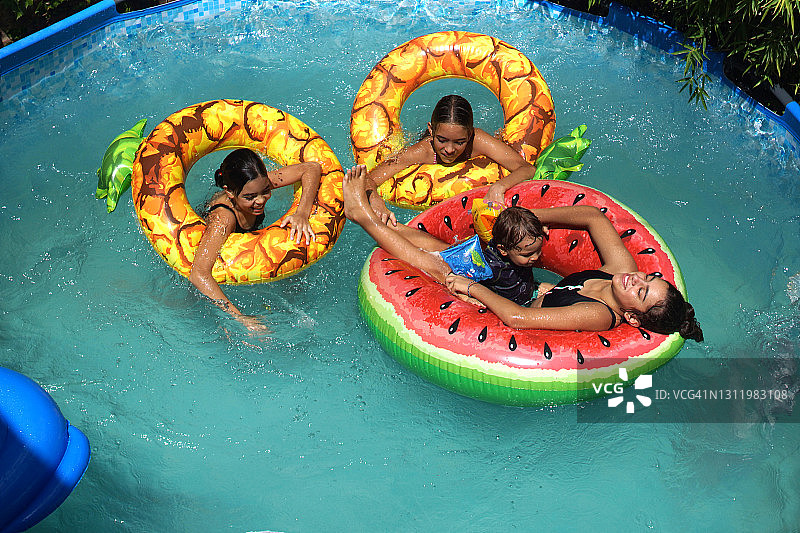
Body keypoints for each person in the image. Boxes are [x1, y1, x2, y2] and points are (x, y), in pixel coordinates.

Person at [343, 165, 703, 341]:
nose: (636, 276)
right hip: (522, 285)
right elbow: (593, 217)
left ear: (633, 318)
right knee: (451, 250)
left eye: (640, 290)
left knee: (438, 268)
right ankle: (385, 218)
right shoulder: (618, 271)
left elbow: (518, 319)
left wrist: (471, 290)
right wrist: (528, 220)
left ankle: (363, 217)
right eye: (648, 277)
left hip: (500, 309)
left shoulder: (598, 315)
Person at [189, 148, 321, 332]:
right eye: (250, 197)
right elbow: (198, 274)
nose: (260, 201)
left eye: (265, 191)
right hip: (220, 259)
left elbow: (312, 168)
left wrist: (302, 213)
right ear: (229, 193)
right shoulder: (223, 220)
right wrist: (241, 319)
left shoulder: (257, 183)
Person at [364, 94, 536, 226]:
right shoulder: (421, 151)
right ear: (431, 131)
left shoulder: (478, 141)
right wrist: (377, 202)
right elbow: (369, 179)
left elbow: (526, 168)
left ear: (470, 134)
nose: (449, 149)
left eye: (460, 142)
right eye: (442, 140)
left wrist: (499, 186)